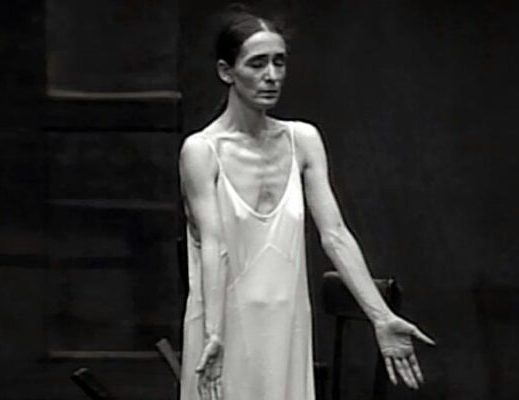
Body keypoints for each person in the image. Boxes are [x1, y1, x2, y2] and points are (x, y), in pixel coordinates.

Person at [178, 7, 435, 400]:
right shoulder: (201, 150)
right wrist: (214, 333)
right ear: (226, 72)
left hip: (285, 322)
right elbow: (215, 244)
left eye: (279, 62)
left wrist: (381, 316)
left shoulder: (303, 141)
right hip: (222, 325)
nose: (272, 75)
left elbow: (335, 235)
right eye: (257, 63)